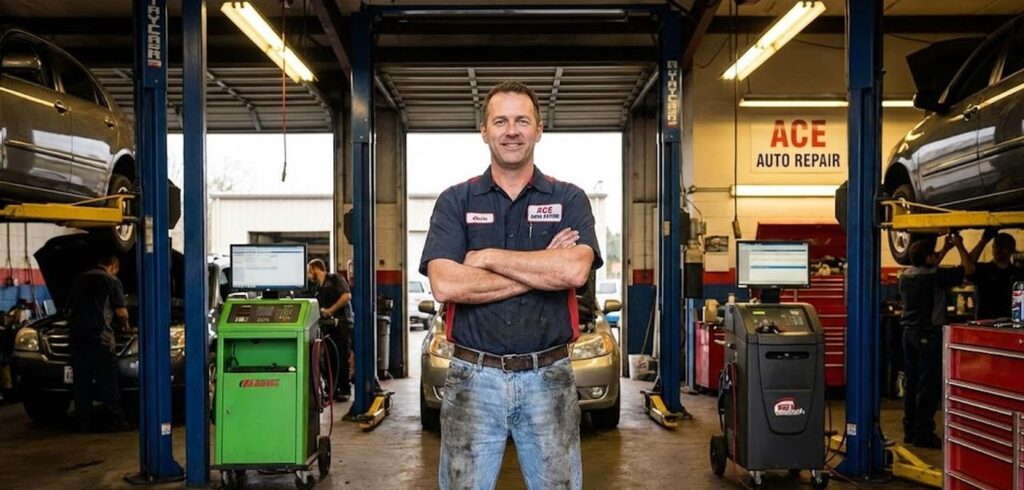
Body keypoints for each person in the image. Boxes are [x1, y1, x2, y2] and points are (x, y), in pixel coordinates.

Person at [420, 81, 602, 489]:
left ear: (539, 129)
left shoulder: (569, 199)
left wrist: (486, 258)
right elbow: (446, 284)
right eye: (500, 121)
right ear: (483, 131)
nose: (511, 130)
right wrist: (541, 272)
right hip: (472, 378)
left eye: (522, 120)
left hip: (548, 377)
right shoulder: (456, 201)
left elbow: (573, 272)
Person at [899, 234, 973, 448]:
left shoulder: (905, 275)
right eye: (934, 255)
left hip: (908, 335)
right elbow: (968, 270)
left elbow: (929, 267)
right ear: (929, 258)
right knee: (927, 386)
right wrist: (958, 246)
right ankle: (924, 433)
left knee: (911, 384)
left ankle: (910, 431)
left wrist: (944, 250)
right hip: (927, 336)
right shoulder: (935, 276)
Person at [68, 253, 130, 432]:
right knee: (108, 380)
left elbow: (69, 307)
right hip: (100, 337)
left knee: (81, 381)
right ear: (113, 266)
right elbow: (121, 312)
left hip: (77, 337)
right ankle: (116, 420)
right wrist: (126, 324)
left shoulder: (79, 279)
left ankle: (83, 422)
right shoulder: (112, 281)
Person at [307, 258, 354, 401]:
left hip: (341, 325)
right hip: (326, 327)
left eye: (309, 271)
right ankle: (331, 389)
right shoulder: (317, 288)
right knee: (327, 359)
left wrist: (330, 310)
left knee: (340, 356)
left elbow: (347, 296)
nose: (309, 275)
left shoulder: (335, 279)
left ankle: (344, 389)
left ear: (315, 269)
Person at [967, 229, 1024, 320]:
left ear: (1012, 250)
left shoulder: (1019, 274)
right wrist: (983, 242)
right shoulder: (983, 270)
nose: (999, 250)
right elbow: (966, 266)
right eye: (996, 246)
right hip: (985, 326)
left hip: (1011, 326)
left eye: (1004, 247)